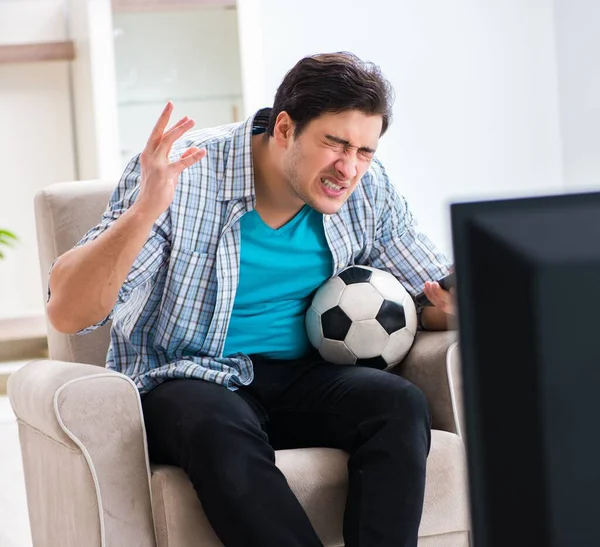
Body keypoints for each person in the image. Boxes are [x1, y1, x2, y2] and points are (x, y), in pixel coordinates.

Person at [47, 52, 455, 547]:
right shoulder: (189, 175)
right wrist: (144, 213)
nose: (349, 168)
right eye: (335, 143)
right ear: (285, 128)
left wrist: (451, 308)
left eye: (365, 150)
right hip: (188, 375)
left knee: (399, 405)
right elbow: (67, 312)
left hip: (304, 376)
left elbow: (428, 286)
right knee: (215, 426)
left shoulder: (370, 189)